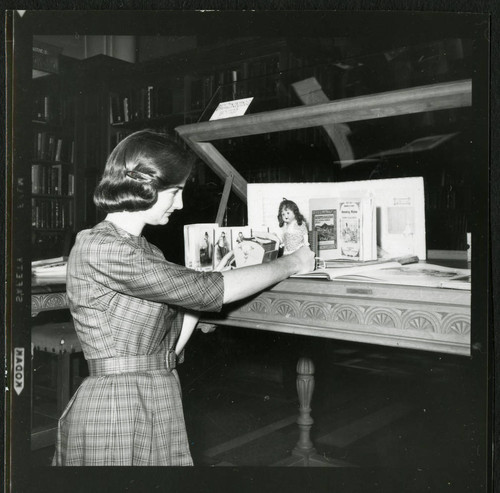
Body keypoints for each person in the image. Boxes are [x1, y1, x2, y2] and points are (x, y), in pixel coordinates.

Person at [52, 130, 314, 466]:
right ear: (145, 185)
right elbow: (208, 292)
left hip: (156, 394)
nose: (180, 204)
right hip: (118, 406)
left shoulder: (146, 250)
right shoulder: (99, 246)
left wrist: (197, 294)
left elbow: (169, 348)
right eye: (175, 192)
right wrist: (292, 261)